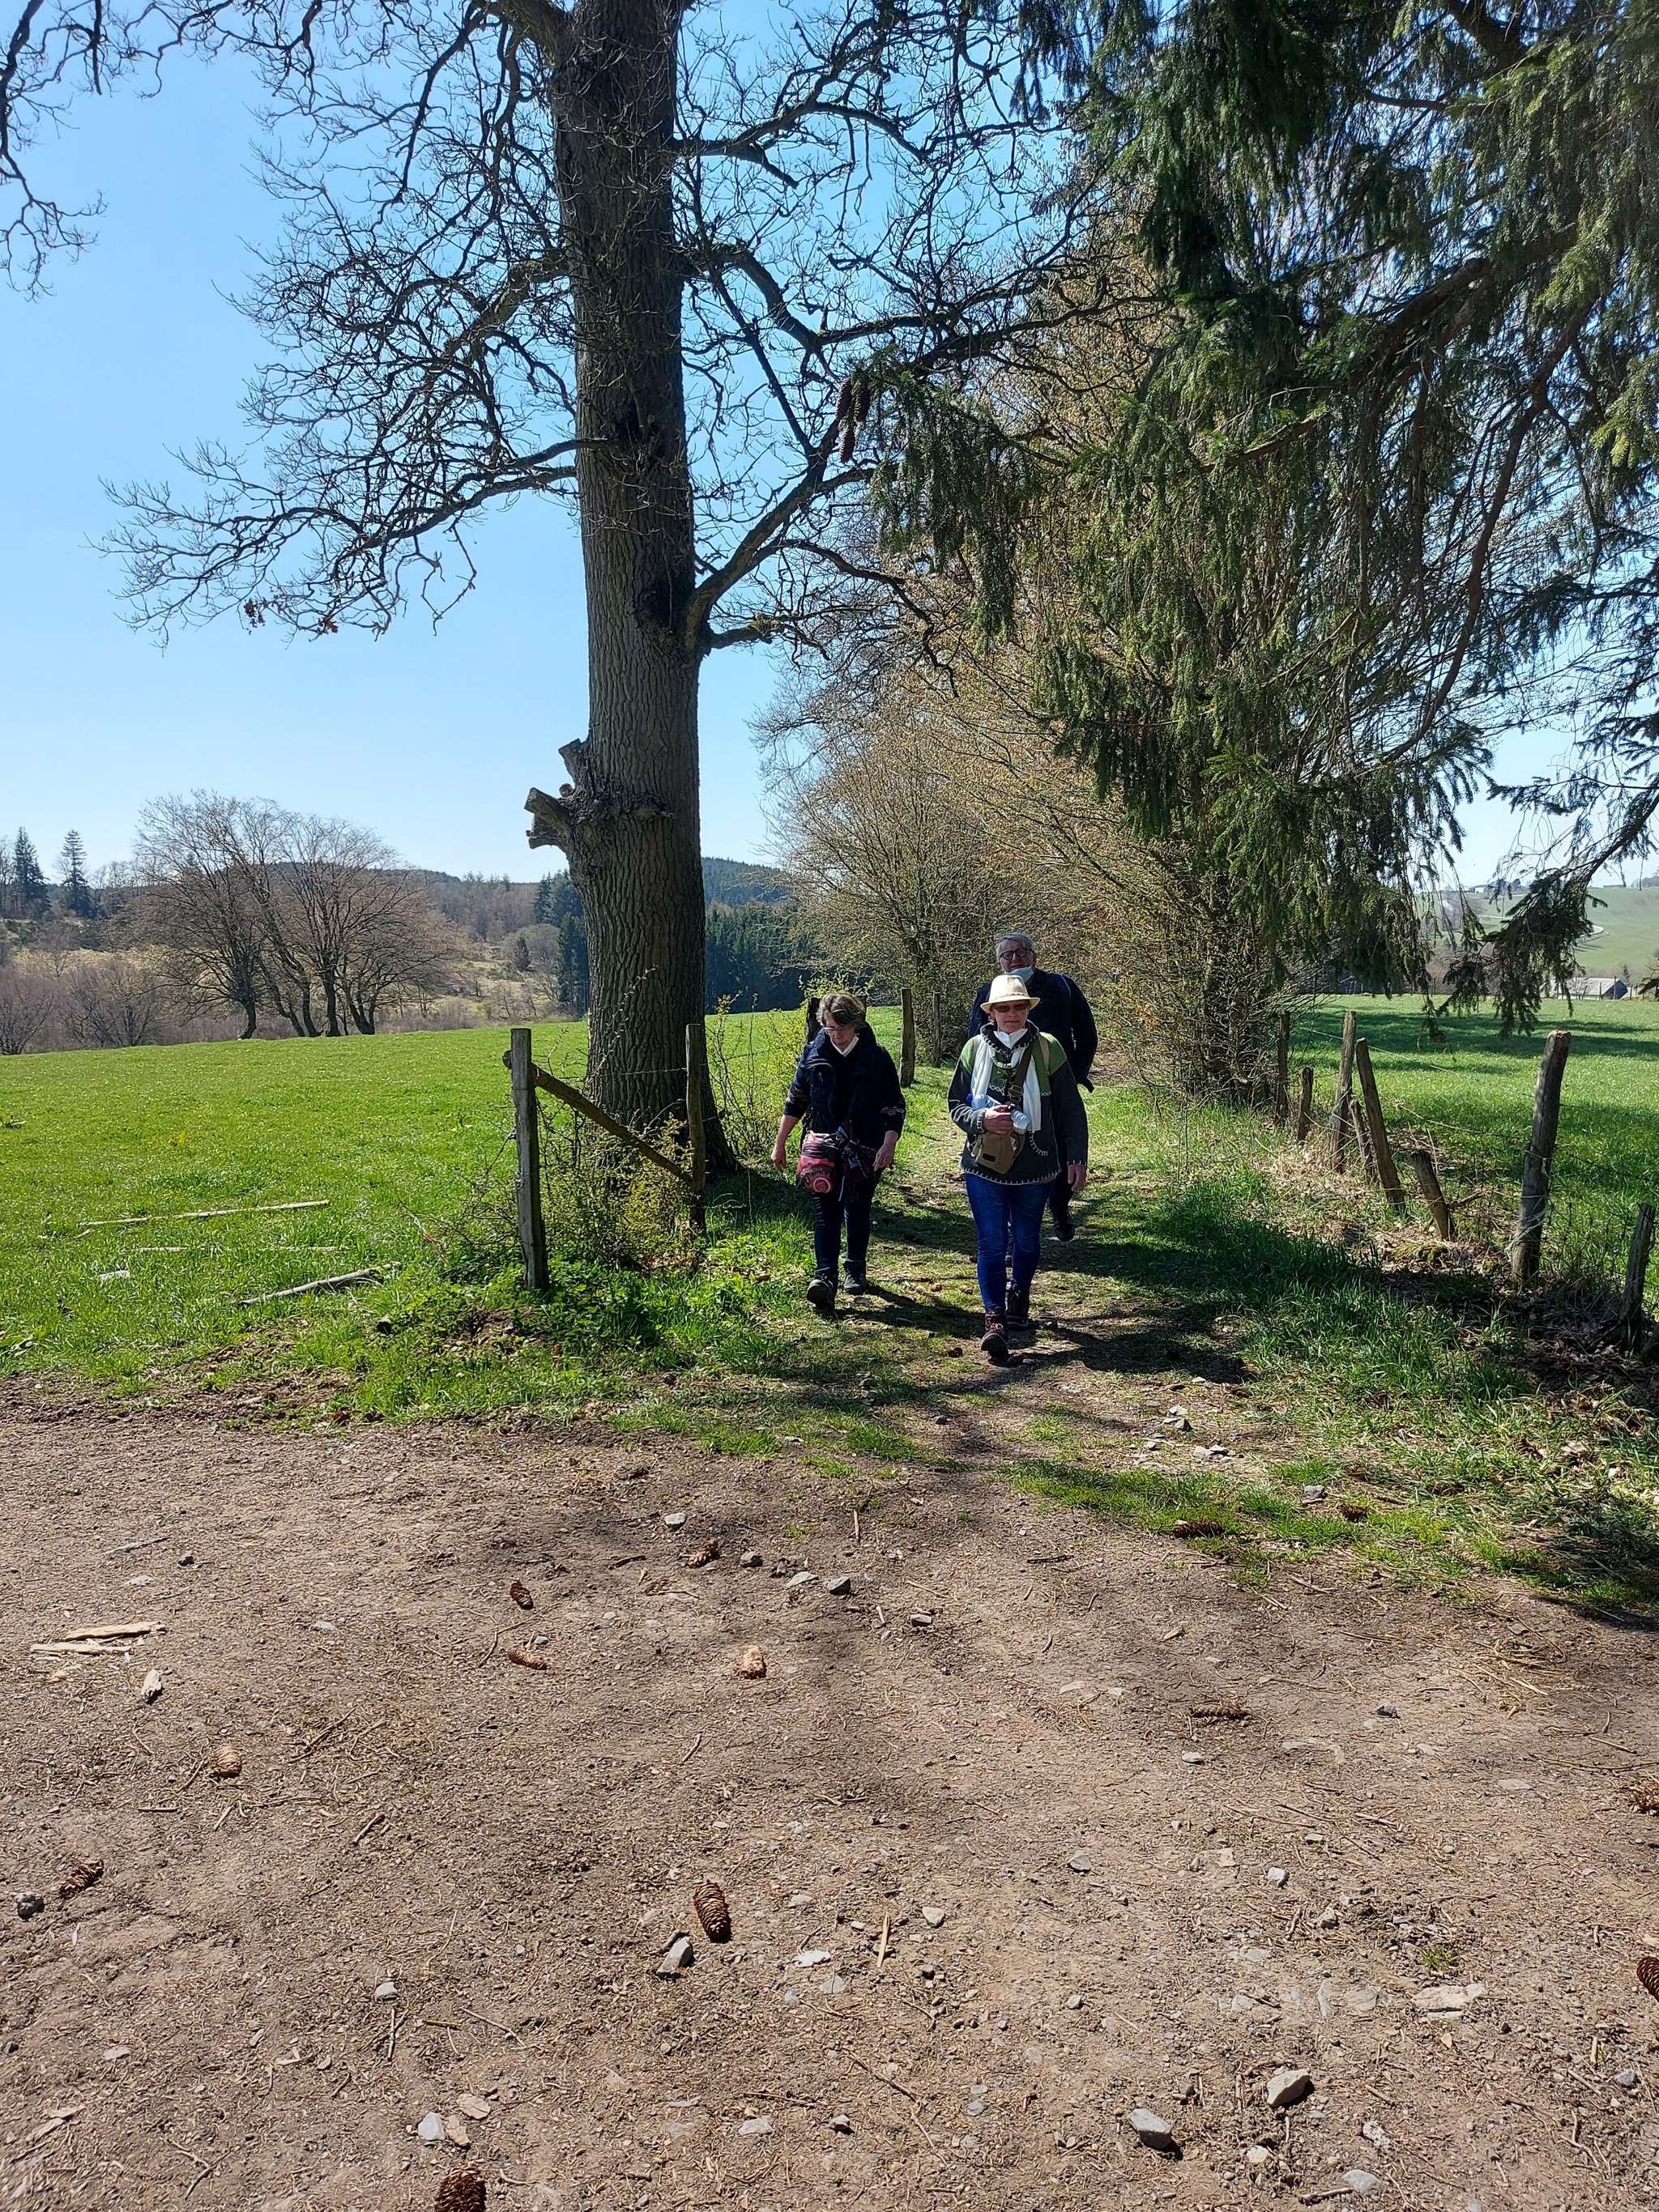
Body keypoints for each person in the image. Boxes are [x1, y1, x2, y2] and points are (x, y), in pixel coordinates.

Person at [949, 971, 1088, 1363]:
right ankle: (994, 1319)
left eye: (1019, 1006)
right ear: (991, 1013)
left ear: (1028, 1009)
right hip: (983, 1163)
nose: (1012, 1014)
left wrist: (1077, 1157)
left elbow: (1070, 1108)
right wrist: (981, 1120)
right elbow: (956, 1103)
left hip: (1037, 1163)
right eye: (1004, 1008)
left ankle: (1019, 1294)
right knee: (992, 1241)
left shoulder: (1049, 1048)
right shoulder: (973, 1049)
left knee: (1026, 1240)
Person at [773, 991, 904, 1315]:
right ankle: (825, 1278)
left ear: (856, 1024)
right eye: (830, 1028)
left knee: (857, 1206)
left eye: (842, 1028)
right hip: (821, 1144)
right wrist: (780, 1142)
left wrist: (889, 1143)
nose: (836, 1034)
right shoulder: (813, 1054)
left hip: (866, 1145)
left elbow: (893, 1105)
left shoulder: (877, 1057)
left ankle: (855, 1268)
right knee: (825, 1211)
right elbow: (797, 1099)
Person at [967, 933, 1097, 1238]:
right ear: (999, 962)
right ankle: (1014, 1230)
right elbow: (975, 1038)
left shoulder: (1061, 987)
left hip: (1052, 1086)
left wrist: (1074, 1076)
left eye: (1020, 952)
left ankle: (1059, 1203)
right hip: (1004, 1090)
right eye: (1007, 955)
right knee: (1007, 1150)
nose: (1015, 958)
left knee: (1061, 1149)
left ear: (1033, 955)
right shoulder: (988, 993)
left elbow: (1087, 1035)